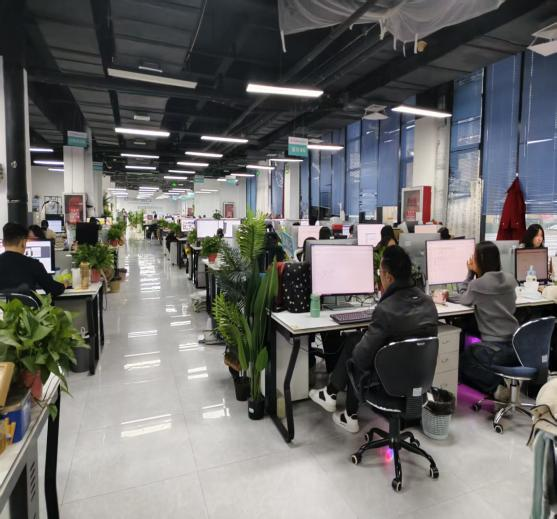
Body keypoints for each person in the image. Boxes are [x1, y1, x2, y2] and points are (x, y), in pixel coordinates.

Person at [309, 246, 438, 432]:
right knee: (356, 341)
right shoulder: (429, 303)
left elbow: (361, 359)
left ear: (388, 277)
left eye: (380, 273)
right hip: (419, 381)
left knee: (354, 347)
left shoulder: (386, 309)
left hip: (386, 384)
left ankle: (341, 404)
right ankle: (335, 399)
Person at [452, 241, 519, 396]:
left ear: (480, 261)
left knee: (461, 362)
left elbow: (463, 298)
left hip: (494, 349)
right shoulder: (510, 279)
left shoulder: (478, 285)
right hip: (516, 344)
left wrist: (470, 273)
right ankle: (500, 382)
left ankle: (495, 388)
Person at [0, 223, 65, 296]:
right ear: (23, 242)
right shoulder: (33, 264)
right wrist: (64, 285)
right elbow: (54, 290)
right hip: (27, 304)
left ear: (3, 243)